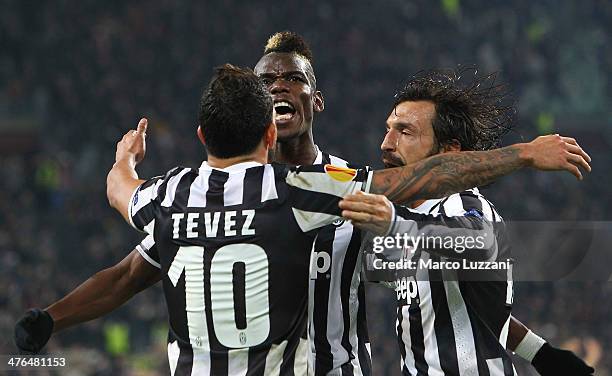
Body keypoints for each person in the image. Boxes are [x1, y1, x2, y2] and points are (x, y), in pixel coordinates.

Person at [338, 70, 595, 375]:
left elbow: (476, 243)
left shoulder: (467, 207)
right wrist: (540, 353)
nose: (386, 144)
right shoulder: (410, 223)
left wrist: (395, 224)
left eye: (405, 132)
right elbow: (477, 307)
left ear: (449, 152)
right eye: (389, 129)